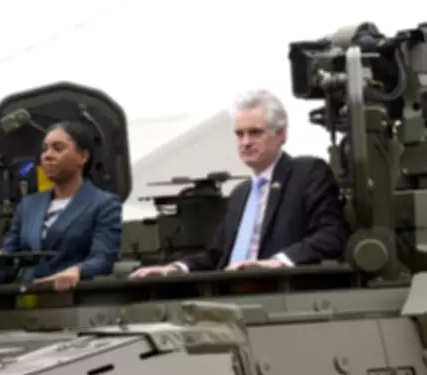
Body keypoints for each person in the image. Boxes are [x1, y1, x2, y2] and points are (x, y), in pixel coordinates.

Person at [130, 89, 348, 278]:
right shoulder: (240, 194)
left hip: (277, 293)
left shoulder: (307, 173)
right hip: (227, 294)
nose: (245, 142)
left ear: (281, 134)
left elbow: (332, 234)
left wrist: (278, 262)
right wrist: (176, 268)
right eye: (239, 134)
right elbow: (216, 255)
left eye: (255, 133)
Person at [0, 120, 123, 291]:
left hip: (76, 297)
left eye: (58, 148)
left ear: (83, 157)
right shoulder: (28, 205)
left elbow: (103, 259)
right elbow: (7, 263)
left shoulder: (104, 204)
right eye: (44, 149)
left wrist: (78, 271)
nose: (47, 155)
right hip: (30, 298)